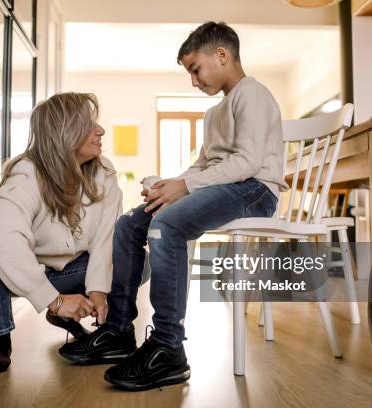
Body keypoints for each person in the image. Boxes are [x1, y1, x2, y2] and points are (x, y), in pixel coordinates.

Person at [59, 22, 289, 391]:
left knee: (167, 225)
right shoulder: (215, 113)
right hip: (228, 187)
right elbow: (203, 168)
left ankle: (168, 346)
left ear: (222, 55)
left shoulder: (254, 93)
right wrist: (170, 185)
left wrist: (185, 187)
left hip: (256, 191)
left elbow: (246, 164)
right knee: (129, 224)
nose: (194, 81)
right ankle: (119, 330)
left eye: (196, 69)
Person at [0, 92, 123, 373]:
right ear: (65, 132)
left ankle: (91, 325)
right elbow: (4, 241)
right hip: (18, 274)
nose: (101, 131)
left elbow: (106, 237)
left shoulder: (104, 174)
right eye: (89, 125)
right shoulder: (26, 173)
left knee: (137, 258)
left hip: (72, 270)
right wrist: (54, 300)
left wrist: (98, 291)